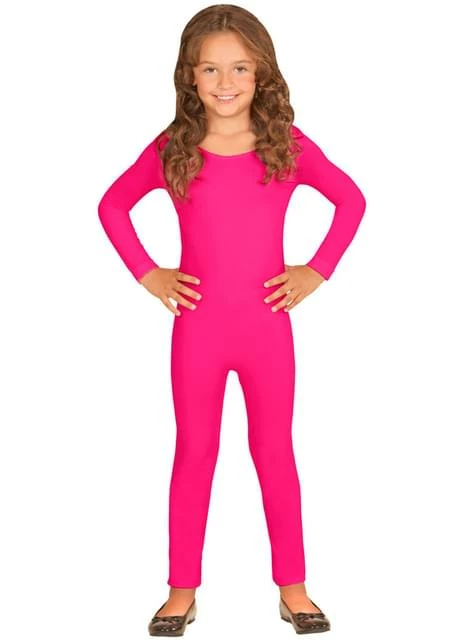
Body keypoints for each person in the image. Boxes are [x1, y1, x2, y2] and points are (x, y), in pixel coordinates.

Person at [98, 4, 366, 636]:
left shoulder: (285, 146)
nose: (225, 82)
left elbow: (352, 200)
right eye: (210, 69)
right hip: (198, 331)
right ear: (189, 76)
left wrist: (316, 270)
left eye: (240, 68)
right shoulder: (173, 149)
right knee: (194, 452)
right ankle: (180, 591)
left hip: (267, 329)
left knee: (274, 452)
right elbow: (112, 206)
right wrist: (150, 274)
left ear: (262, 73)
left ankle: (294, 588)